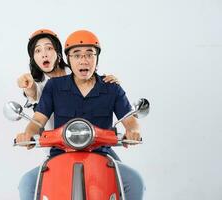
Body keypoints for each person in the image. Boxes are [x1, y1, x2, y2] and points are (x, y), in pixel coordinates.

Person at [16, 30, 145, 200]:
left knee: (135, 181)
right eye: (76, 55)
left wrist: (133, 131)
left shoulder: (112, 88)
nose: (83, 60)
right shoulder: (54, 86)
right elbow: (38, 119)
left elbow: (130, 120)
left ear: (97, 58)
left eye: (89, 54)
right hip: (60, 154)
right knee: (27, 182)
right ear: (68, 59)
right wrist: (28, 133)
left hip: (101, 153)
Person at [17, 29, 120, 130]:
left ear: (58, 52)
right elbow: (32, 93)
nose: (44, 54)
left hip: (88, 138)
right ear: (33, 58)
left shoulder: (77, 71)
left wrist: (109, 82)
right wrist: (27, 86)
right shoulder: (37, 84)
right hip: (52, 142)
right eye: (37, 50)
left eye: (49, 48)